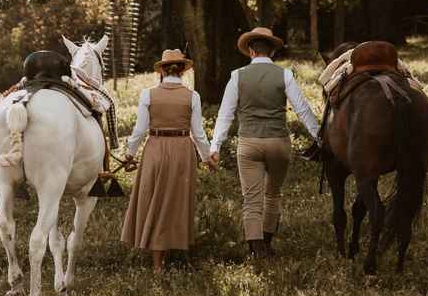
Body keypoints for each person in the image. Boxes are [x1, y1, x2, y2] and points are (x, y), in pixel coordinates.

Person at [209, 26, 320, 257]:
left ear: (250, 51)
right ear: (271, 52)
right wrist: (320, 137)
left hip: (249, 143)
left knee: (251, 197)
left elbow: (225, 114)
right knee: (273, 194)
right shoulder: (285, 75)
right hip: (278, 142)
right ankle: (268, 243)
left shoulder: (237, 76)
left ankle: (255, 247)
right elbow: (302, 109)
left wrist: (215, 146)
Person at [121, 49, 215, 274]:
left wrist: (129, 154)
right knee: (174, 201)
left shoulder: (148, 94)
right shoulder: (192, 96)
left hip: (155, 148)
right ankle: (162, 258)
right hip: (182, 150)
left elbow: (140, 129)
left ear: (162, 70)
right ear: (182, 70)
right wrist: (207, 157)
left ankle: (158, 263)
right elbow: (199, 133)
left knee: (155, 199)